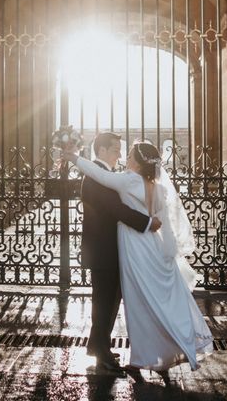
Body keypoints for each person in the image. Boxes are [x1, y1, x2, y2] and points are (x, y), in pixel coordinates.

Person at [63, 141, 213, 382]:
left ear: (138, 161)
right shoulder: (158, 188)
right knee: (153, 300)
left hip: (134, 247)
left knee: (138, 302)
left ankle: (147, 355)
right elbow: (162, 222)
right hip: (152, 246)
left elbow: (98, 174)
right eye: (118, 150)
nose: (123, 156)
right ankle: (161, 351)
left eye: (129, 154)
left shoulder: (130, 180)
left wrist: (75, 159)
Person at [79, 132, 162, 374]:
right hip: (103, 251)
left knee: (108, 301)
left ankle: (97, 346)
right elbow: (116, 209)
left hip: (107, 250)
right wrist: (147, 222)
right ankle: (102, 353)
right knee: (104, 303)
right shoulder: (96, 177)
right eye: (115, 149)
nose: (119, 153)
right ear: (101, 150)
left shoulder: (104, 175)